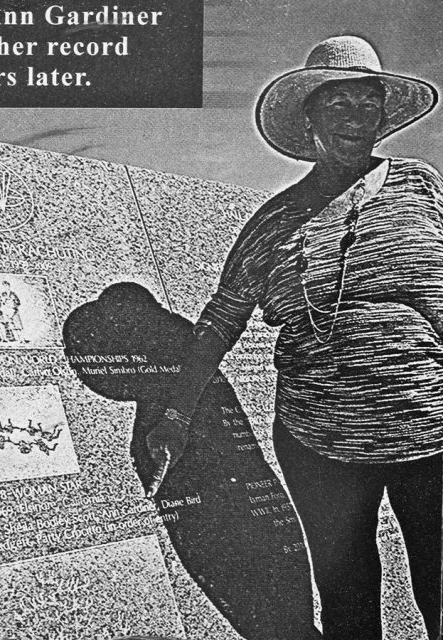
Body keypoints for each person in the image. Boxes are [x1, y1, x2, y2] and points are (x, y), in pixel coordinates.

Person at [146, 36, 442, 640]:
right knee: (347, 597)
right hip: (319, 445)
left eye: (369, 103)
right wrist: (176, 410)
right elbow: (222, 316)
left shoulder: (421, 187)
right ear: (309, 116)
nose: (357, 115)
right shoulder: (275, 221)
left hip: (431, 432)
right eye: (339, 103)